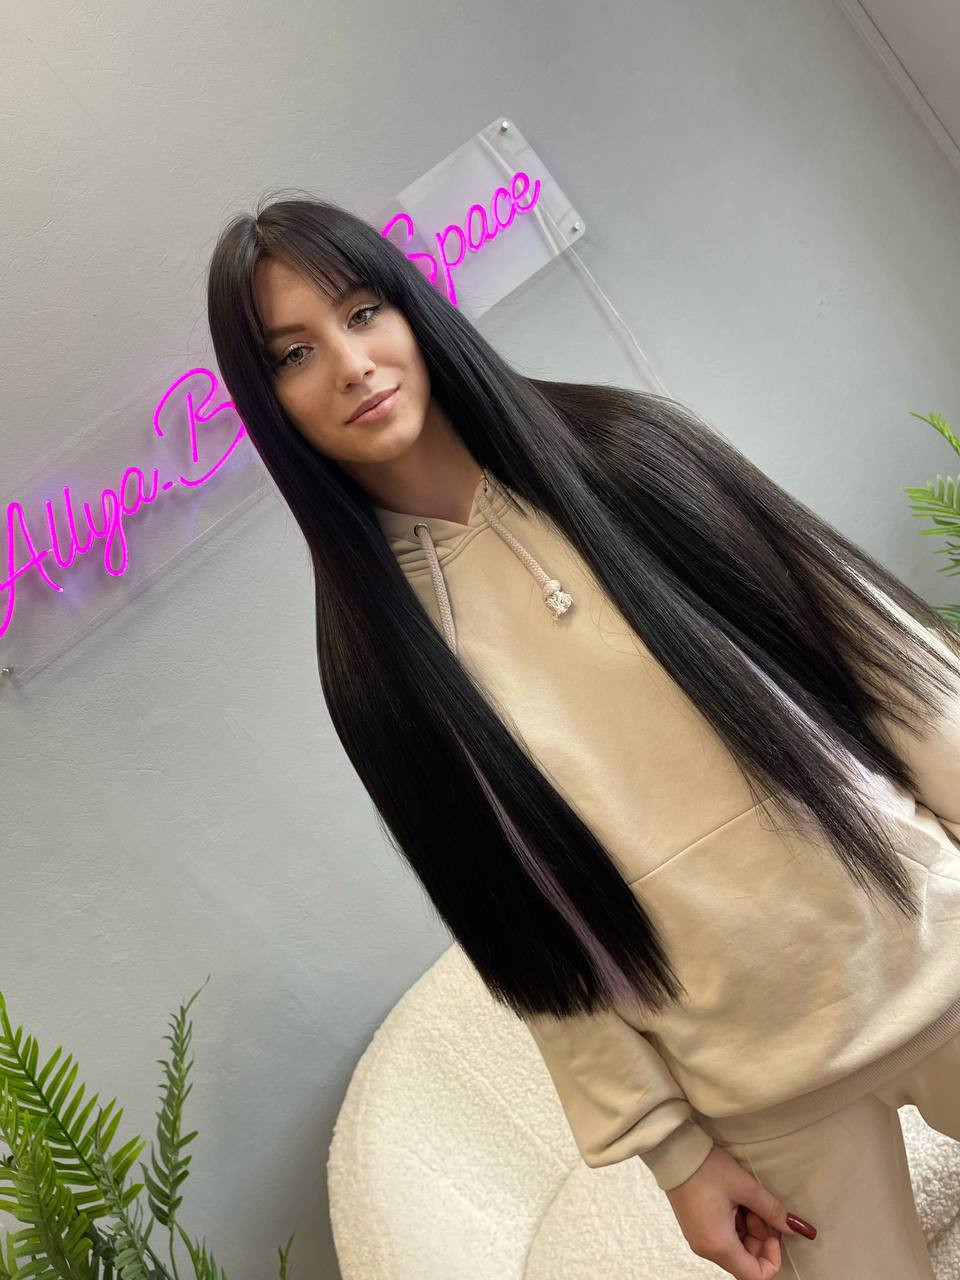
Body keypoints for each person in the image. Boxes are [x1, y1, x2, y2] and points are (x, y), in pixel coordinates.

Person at [205, 195, 960, 1279]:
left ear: (411, 310)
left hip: (937, 947)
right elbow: (524, 936)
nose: (352, 364)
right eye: (293, 353)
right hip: (761, 1088)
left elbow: (882, 661)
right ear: (266, 400)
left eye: (363, 311)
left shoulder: (629, 453)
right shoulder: (376, 667)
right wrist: (675, 1153)